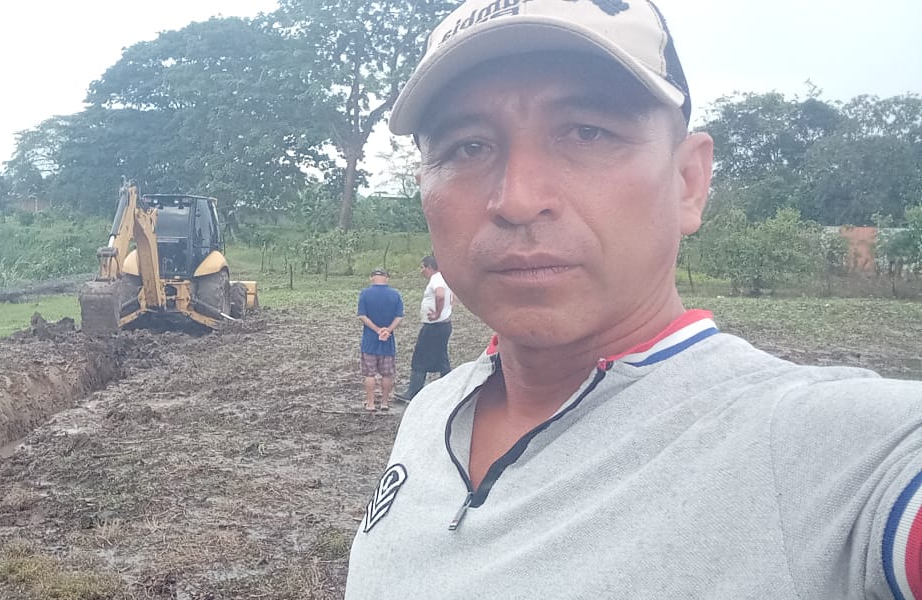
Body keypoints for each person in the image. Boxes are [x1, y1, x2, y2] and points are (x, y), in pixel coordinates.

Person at [345, 1, 922, 599]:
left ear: (688, 182)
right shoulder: (431, 410)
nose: (516, 200)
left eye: (587, 132)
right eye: (468, 147)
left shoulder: (823, 450)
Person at [396, 255, 453, 403]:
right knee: (442, 358)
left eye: (422, 267)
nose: (421, 271)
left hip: (434, 325)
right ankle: (449, 388)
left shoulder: (436, 279)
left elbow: (440, 295)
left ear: (430, 267)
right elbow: (450, 297)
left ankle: (413, 391)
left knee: (420, 358)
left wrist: (437, 313)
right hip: (444, 325)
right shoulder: (445, 278)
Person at [357, 268, 404, 413]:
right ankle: (384, 402)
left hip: (369, 341)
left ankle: (370, 403)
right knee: (387, 374)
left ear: (371, 278)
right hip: (387, 341)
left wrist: (377, 330)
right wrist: (387, 330)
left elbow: (362, 315)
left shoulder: (365, 294)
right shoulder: (395, 294)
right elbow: (399, 316)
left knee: (369, 374)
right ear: (387, 278)